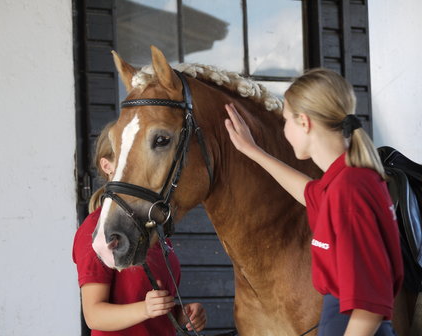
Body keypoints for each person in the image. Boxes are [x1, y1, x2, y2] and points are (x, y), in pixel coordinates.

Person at [224, 68, 403, 336]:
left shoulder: (349, 190)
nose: (284, 130)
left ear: (304, 122)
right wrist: (253, 151)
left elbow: (369, 308)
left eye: (285, 121)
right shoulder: (343, 181)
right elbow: (308, 192)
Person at [73, 122, 207, 336]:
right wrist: (144, 309)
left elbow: (154, 305)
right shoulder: (96, 229)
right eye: (125, 157)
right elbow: (94, 315)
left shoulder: (151, 225)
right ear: (107, 166)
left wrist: (181, 315)